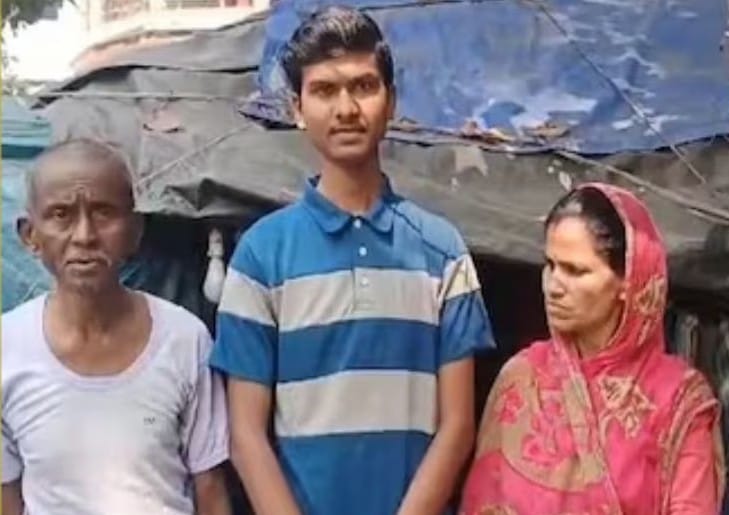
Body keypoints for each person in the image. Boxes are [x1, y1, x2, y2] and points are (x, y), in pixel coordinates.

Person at [210, 6, 495, 515]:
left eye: (364, 86)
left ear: (391, 102)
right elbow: (245, 435)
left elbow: (457, 426)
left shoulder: (442, 250)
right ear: (297, 108)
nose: (346, 108)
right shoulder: (260, 256)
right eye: (324, 90)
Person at [460, 183, 726, 514]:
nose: (554, 286)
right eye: (550, 265)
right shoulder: (521, 379)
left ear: (628, 282)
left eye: (575, 270)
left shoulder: (679, 401)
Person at [1, 139, 231, 515]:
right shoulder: (7, 346)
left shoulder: (185, 340)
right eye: (61, 214)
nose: (84, 235)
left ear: (135, 231)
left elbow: (211, 487)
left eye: (103, 212)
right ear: (30, 235)